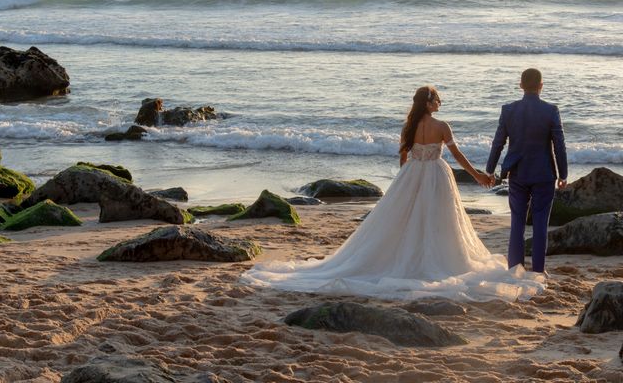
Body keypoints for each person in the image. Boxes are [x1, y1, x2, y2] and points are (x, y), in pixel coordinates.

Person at [241, 86, 545, 301]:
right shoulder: (442, 126)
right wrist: (479, 175)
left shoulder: (409, 126)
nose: (441, 103)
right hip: (437, 175)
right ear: (429, 103)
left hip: (412, 174)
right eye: (438, 99)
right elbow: (458, 157)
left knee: (404, 219)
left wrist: (405, 178)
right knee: (439, 221)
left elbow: (404, 157)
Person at [486, 68, 567, 274]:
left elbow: (498, 143)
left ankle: (515, 270)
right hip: (544, 174)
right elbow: (559, 145)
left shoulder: (508, 110)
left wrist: (489, 169)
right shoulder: (551, 110)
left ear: (520, 85)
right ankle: (538, 272)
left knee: (517, 223)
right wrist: (563, 174)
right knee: (540, 224)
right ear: (541, 85)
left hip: (518, 172)